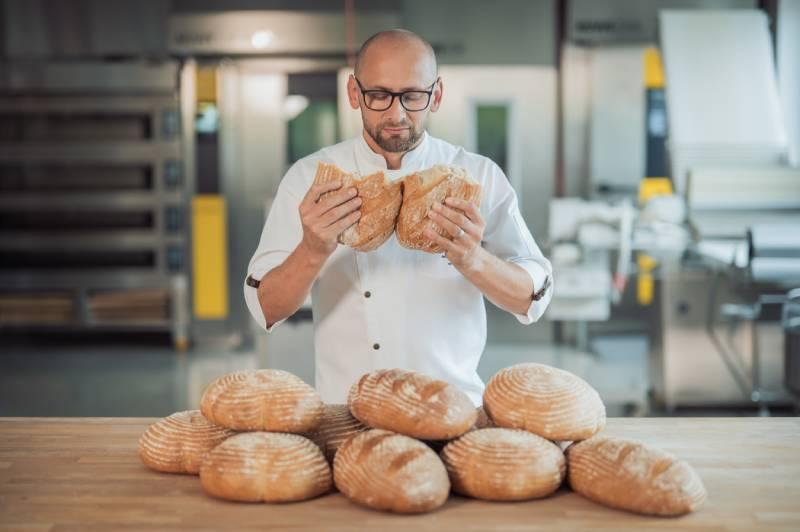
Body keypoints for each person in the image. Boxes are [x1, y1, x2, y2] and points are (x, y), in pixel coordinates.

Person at [244, 29, 552, 406]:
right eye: (378, 95)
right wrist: (312, 248)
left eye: (412, 95)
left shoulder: (478, 176)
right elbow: (266, 308)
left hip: (452, 409)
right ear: (354, 94)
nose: (396, 113)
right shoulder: (312, 178)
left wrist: (473, 259)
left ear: (436, 96)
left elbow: (532, 299)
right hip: (347, 411)